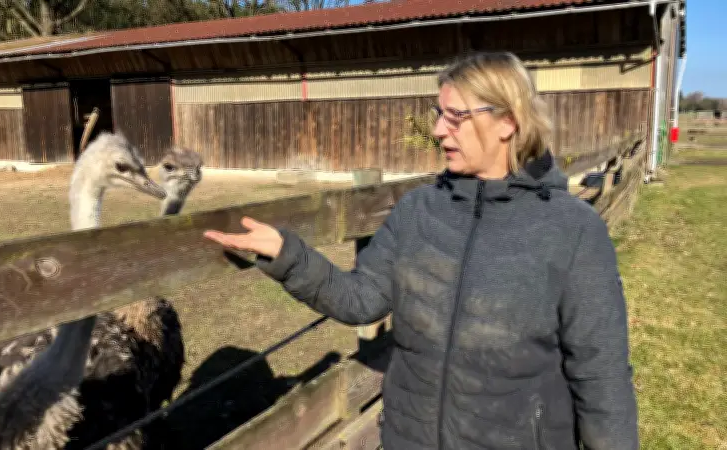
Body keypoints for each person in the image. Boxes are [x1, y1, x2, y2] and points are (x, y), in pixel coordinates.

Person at [203, 52, 638, 450]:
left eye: (455, 117)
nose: (436, 130)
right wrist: (288, 256)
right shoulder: (418, 212)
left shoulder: (572, 230)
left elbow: (602, 375)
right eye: (438, 113)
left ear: (508, 121)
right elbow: (362, 299)